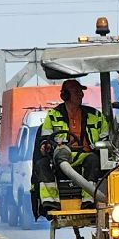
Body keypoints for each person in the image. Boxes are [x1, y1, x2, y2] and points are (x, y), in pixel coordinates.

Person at [37, 78, 109, 210]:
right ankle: (51, 202)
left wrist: (101, 146)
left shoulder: (95, 115)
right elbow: (45, 138)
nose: (80, 95)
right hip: (60, 158)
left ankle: (89, 199)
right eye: (76, 92)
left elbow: (106, 137)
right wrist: (46, 146)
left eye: (81, 92)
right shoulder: (53, 115)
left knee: (93, 160)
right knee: (42, 164)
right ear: (65, 95)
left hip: (85, 156)